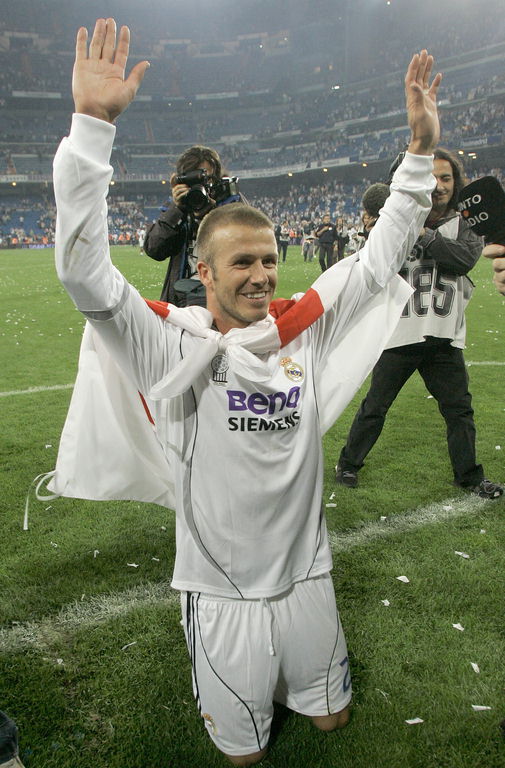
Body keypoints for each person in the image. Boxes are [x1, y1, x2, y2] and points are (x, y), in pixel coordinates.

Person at [54, 18, 441, 765]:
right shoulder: (169, 344)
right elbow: (83, 273)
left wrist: (419, 155)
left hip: (307, 574)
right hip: (222, 588)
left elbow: (377, 259)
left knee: (331, 722)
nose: (261, 275)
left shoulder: (300, 328)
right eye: (241, 263)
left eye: (267, 259)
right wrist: (92, 127)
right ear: (203, 271)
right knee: (246, 755)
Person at [335, 148, 503, 499]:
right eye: (432, 177)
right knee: (375, 406)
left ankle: (469, 476)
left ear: (456, 182)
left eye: (446, 178)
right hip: (400, 331)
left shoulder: (466, 223)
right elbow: (375, 263)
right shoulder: (398, 220)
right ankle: (348, 463)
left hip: (443, 335)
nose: (439, 185)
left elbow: (463, 260)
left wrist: (423, 232)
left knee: (459, 410)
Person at [143, 144, 241, 306]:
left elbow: (244, 248)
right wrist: (177, 210)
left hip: (223, 298)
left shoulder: (232, 202)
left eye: (205, 178)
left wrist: (212, 213)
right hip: (182, 300)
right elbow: (154, 249)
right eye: (192, 179)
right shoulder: (179, 208)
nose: (199, 184)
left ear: (216, 177)